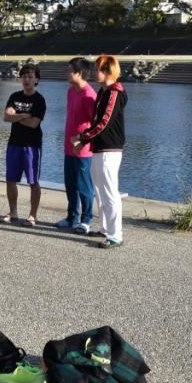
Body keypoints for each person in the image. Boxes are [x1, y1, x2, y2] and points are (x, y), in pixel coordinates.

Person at [72, 55, 127, 249]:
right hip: (99, 147)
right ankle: (105, 228)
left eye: (98, 69)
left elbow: (103, 122)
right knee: (99, 189)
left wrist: (83, 137)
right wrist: (86, 140)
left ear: (108, 71)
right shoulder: (103, 92)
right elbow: (97, 122)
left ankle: (115, 234)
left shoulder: (115, 92)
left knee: (110, 191)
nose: (95, 73)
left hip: (110, 148)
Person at [1, 63, 47, 226]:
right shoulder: (14, 96)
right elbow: (6, 118)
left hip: (32, 145)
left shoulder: (39, 100)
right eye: (24, 76)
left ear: (36, 80)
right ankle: (13, 212)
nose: (26, 79)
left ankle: (32, 215)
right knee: (10, 179)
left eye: (30, 77)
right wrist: (23, 115)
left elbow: (34, 123)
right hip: (14, 143)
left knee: (33, 181)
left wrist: (16, 116)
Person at [56, 57, 97, 233]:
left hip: (83, 149)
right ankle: (71, 217)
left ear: (79, 73)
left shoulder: (89, 95)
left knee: (84, 186)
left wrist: (83, 141)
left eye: (70, 70)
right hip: (68, 146)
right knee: (70, 184)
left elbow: (96, 124)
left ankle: (86, 220)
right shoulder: (71, 91)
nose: (67, 73)